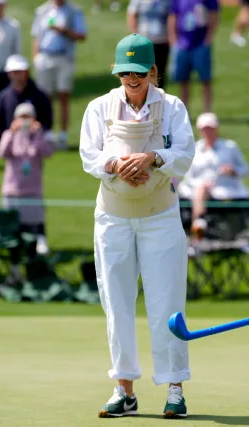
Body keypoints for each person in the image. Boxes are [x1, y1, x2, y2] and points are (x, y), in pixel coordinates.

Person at [79, 33, 195, 419]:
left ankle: (174, 388)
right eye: (125, 72)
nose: (132, 79)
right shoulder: (99, 107)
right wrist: (116, 165)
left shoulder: (173, 107)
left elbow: (185, 152)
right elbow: (89, 155)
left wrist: (151, 158)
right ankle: (124, 390)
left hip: (160, 216)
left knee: (167, 303)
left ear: (153, 71)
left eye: (139, 72)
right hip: (112, 218)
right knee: (117, 302)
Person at [0, 102, 54, 282]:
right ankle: (14, 269)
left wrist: (38, 133)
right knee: (13, 232)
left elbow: (47, 152)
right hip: (13, 191)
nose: (24, 121)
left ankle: (31, 270)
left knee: (32, 231)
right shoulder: (9, 134)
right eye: (21, 117)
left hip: (32, 191)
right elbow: (2, 152)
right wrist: (11, 132)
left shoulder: (38, 134)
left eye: (28, 117)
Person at [176, 111, 249, 238]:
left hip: (226, 188)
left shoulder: (230, 147)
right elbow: (189, 176)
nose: (208, 132)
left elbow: (245, 170)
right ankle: (198, 224)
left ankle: (197, 225)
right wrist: (204, 184)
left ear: (216, 129)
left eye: (210, 128)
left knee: (203, 189)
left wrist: (233, 171)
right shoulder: (194, 149)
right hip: (198, 189)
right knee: (201, 188)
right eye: (204, 129)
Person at [31, 0, 87, 149]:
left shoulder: (74, 11)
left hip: (64, 57)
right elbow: (36, 36)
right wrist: (35, 57)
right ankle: (47, 133)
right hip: (44, 56)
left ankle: (63, 135)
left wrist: (63, 30)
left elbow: (81, 35)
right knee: (45, 97)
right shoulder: (42, 10)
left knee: (63, 96)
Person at [168, 0, 218, 113]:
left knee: (205, 79)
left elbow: (213, 16)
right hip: (182, 44)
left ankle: (207, 112)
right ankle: (184, 111)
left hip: (200, 43)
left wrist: (208, 38)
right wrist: (173, 40)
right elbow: (173, 17)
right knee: (183, 80)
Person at [127, 0, 171, 88]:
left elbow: (171, 17)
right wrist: (135, 36)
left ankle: (158, 95)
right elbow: (132, 15)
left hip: (162, 41)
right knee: (142, 72)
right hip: (143, 42)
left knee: (160, 73)